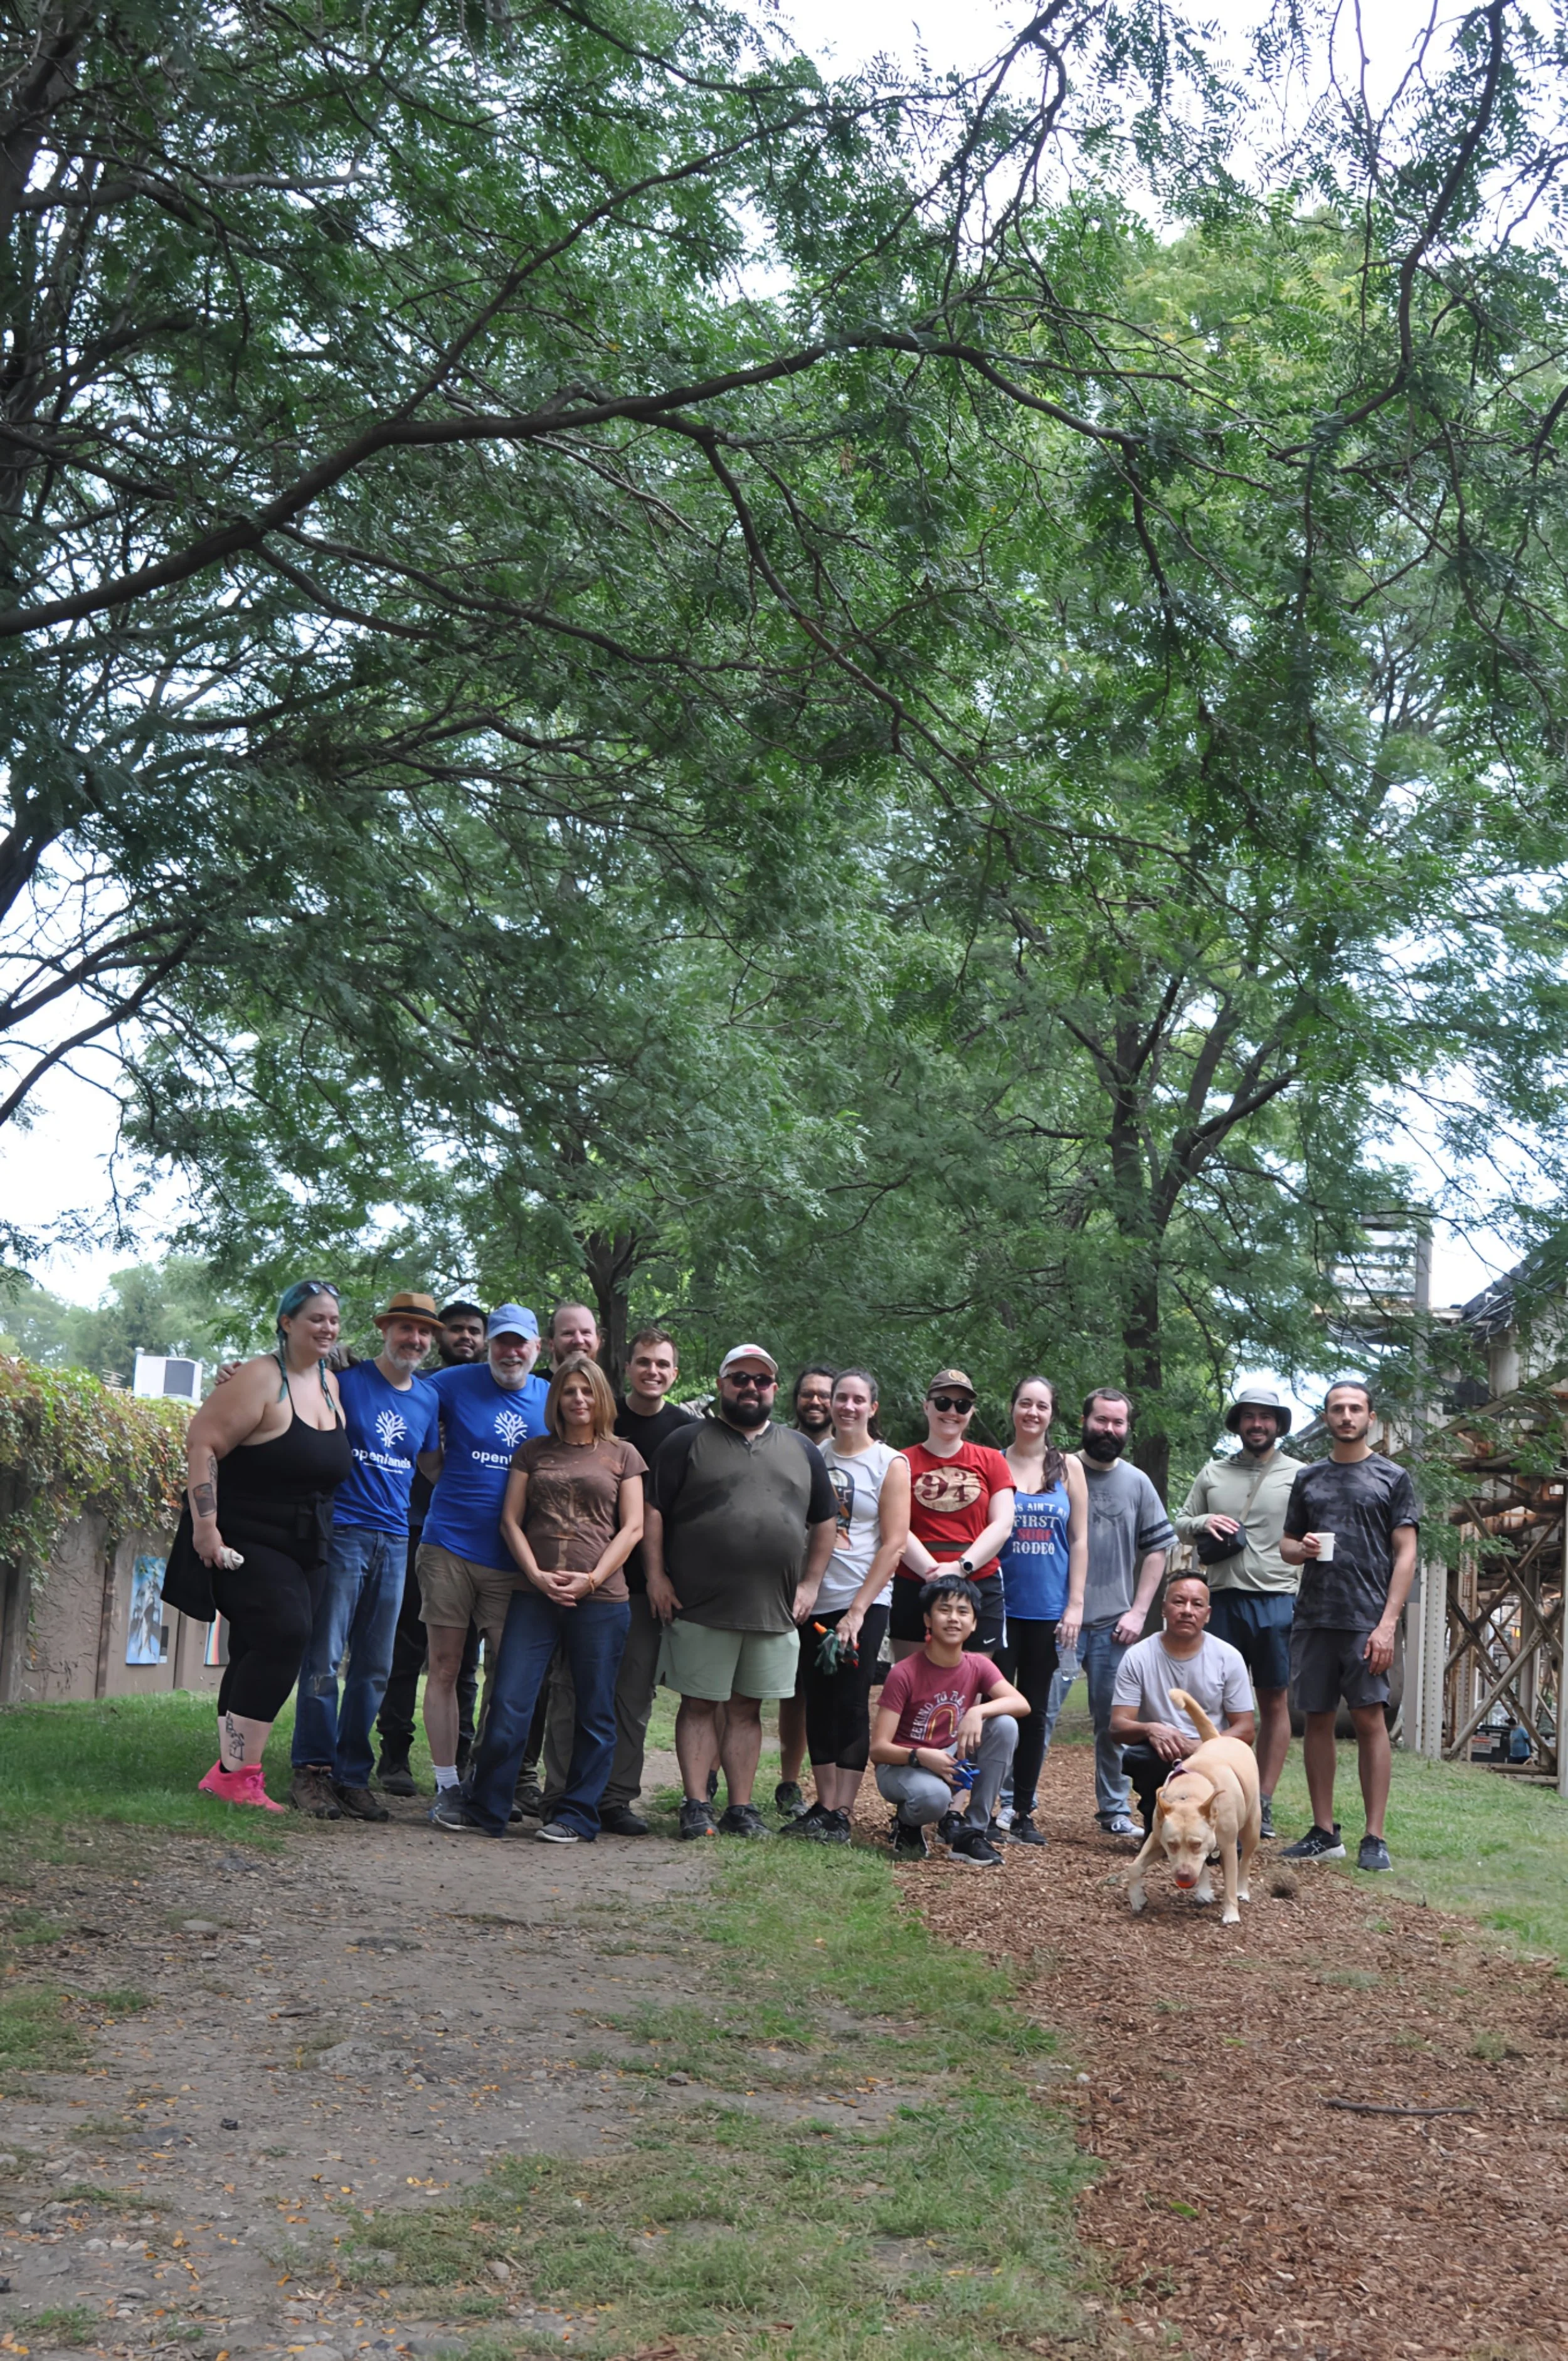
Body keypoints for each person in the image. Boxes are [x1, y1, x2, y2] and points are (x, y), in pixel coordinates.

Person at [431, 1356, 644, 1842]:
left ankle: (577, 1816)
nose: (578, 1399)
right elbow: (511, 1520)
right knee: (509, 1702)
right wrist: (535, 1574)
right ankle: (487, 1807)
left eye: (587, 1391)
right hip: (534, 1595)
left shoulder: (623, 1455)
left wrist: (592, 1579)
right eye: (569, 1391)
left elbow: (633, 1528)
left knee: (594, 1710)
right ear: (556, 1399)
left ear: (601, 1397)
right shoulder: (533, 1451)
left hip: (602, 1600)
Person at [644, 1342, 838, 1840]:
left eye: (761, 1380)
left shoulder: (802, 1450)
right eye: (740, 1379)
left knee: (748, 1709)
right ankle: (695, 1805)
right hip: (699, 1604)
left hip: (773, 1608)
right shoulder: (686, 1442)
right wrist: (656, 1577)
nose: (751, 1388)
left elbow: (825, 1521)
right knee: (699, 1704)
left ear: (774, 1388)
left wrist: (811, 1583)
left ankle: (741, 1809)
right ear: (721, 1385)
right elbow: (654, 1512)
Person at [176, 1280, 353, 1811]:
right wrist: (205, 1528)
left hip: (307, 1542)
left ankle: (230, 1773)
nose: (327, 1328)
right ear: (287, 1323)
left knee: (257, 1645)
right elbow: (203, 1441)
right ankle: (239, 1776)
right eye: (316, 1318)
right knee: (284, 1634)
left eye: (334, 1319)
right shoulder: (259, 1378)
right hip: (244, 1536)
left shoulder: (330, 1383)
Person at [288, 1291, 443, 1822]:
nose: (414, 1340)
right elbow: (291, 1380)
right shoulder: (343, 1382)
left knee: (376, 1666)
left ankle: (352, 1775)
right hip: (344, 1534)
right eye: (405, 1329)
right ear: (385, 1331)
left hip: (396, 1540)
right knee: (325, 1657)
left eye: (423, 1332)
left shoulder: (428, 1399)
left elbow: (432, 1465)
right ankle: (311, 1771)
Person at [541, 1325, 697, 1835]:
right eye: (643, 1362)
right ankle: (560, 1793)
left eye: (662, 1364)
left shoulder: (686, 1431)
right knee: (570, 1691)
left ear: (675, 1373)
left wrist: (664, 1577)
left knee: (632, 1697)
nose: (653, 1371)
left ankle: (615, 1798)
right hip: (583, 1584)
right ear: (627, 1368)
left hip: (646, 1589)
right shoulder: (604, 1416)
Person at [1279, 1379, 1419, 1872]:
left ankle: (1374, 1837)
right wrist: (1301, 1549)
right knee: (1316, 1719)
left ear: (1370, 1417)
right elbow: (1287, 1546)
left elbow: (1406, 1553)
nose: (1346, 1416)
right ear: (1326, 1417)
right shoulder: (1309, 1478)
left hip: (1367, 1620)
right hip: (1314, 1617)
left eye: (1355, 1408)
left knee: (1369, 1720)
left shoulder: (1392, 1477)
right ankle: (1324, 1832)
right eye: (1337, 1408)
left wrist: (1387, 1625)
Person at [417, 1305, 549, 1800]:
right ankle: (447, 1785)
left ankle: (491, 1782)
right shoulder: (452, 1383)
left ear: (537, 1348)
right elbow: (397, 1390)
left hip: (515, 1559)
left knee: (511, 1675)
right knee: (446, 1666)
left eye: (520, 1343)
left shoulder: (552, 1397)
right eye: (501, 1342)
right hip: (449, 1547)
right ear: (489, 1345)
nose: (510, 1352)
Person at [784, 1367, 911, 1844]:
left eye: (859, 1400)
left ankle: (843, 1810)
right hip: (815, 1598)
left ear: (872, 1408)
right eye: (842, 1398)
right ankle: (822, 1804)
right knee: (817, 1700)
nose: (848, 1407)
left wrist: (857, 1611)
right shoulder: (813, 1455)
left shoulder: (889, 1463)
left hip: (864, 1601)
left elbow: (894, 1544)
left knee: (851, 1701)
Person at [1173, 1385, 1301, 1840]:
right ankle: (1210, 1792)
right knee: (1213, 1701)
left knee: (1273, 1700)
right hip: (1223, 1598)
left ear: (1278, 1424)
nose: (1257, 1424)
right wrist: (1204, 1521)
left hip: (1278, 1599)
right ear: (1239, 1424)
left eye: (1266, 1417)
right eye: (1249, 1416)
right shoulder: (1213, 1472)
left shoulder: (1299, 1474)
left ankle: (1261, 1800)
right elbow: (1181, 1523)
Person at [375, 1298, 486, 1795]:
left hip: (472, 1540)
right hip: (415, 1526)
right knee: (406, 1647)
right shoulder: (419, 1386)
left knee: (464, 1662)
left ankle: (459, 1759)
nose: (465, 1337)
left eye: (474, 1331)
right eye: (456, 1329)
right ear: (440, 1336)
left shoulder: (492, 1389)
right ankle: (394, 1754)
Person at [870, 1576, 1028, 1867]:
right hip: (903, 1765)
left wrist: (977, 1712)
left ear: (974, 1623)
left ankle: (972, 1832)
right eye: (944, 1610)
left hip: (949, 1757)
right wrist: (920, 1756)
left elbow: (1021, 1704)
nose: (954, 1618)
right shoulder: (904, 1672)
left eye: (963, 1611)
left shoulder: (978, 1665)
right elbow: (878, 1750)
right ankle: (907, 1823)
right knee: (934, 1798)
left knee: (1005, 1726)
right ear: (928, 1620)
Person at [1076, 1388, 1175, 1840]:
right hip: (1059, 1622)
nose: (1109, 1430)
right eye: (1101, 1420)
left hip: (1114, 1625)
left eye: (1118, 1423)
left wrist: (1138, 1611)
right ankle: (1018, 1807)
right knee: (1036, 1716)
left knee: (1113, 1724)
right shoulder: (1060, 1471)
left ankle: (1115, 1810)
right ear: (1085, 1421)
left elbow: (1158, 1549)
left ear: (1127, 1429)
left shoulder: (1137, 1482)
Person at [522, 1301, 607, 1817]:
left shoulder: (609, 1410)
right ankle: (512, 1782)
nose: (578, 1340)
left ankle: (570, 1797)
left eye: (586, 1332)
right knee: (518, 1690)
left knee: (580, 1696)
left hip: (600, 1587)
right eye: (567, 1333)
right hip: (527, 1576)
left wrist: (596, 1578)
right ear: (550, 1343)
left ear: (598, 1339)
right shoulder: (531, 1395)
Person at [999, 1375, 1088, 1847]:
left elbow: (1080, 1540)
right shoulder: (993, 1463)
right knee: (992, 1710)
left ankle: (1021, 1810)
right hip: (998, 1609)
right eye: (1025, 1404)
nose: (1033, 1413)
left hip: (1048, 1612)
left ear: (1052, 1414)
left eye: (1042, 1406)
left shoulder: (1068, 1467)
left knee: (1033, 1713)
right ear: (1013, 1408)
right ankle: (979, 1807)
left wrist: (1075, 1605)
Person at [1108, 1573, 1256, 1835]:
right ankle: (1157, 1820)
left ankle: (1220, 1826)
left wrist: (1204, 1746)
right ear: (1164, 1609)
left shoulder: (1228, 1657)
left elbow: (1245, 1729)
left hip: (1214, 1752)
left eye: (1197, 1604)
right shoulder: (1138, 1657)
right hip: (1163, 1751)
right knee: (1138, 1757)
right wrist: (1151, 1729)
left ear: (1207, 1615)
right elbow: (1118, 1726)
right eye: (1179, 1602)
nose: (1187, 1611)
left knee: (1220, 1847)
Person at [891, 1370, 1015, 1659]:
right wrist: (933, 1573)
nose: (952, 1412)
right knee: (914, 1679)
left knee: (974, 1679)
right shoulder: (900, 1461)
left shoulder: (992, 1460)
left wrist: (961, 1568)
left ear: (971, 1412)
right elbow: (894, 1525)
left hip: (978, 1580)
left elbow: (1003, 1523)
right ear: (926, 1406)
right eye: (943, 1402)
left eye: (962, 1405)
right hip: (914, 1581)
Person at [775, 1363, 840, 1817]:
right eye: (807, 1394)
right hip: (771, 1581)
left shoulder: (848, 1451)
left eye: (824, 1395)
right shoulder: (778, 1443)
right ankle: (713, 1772)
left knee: (802, 1692)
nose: (815, 1401)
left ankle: (789, 1783)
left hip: (829, 1591)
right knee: (740, 1687)